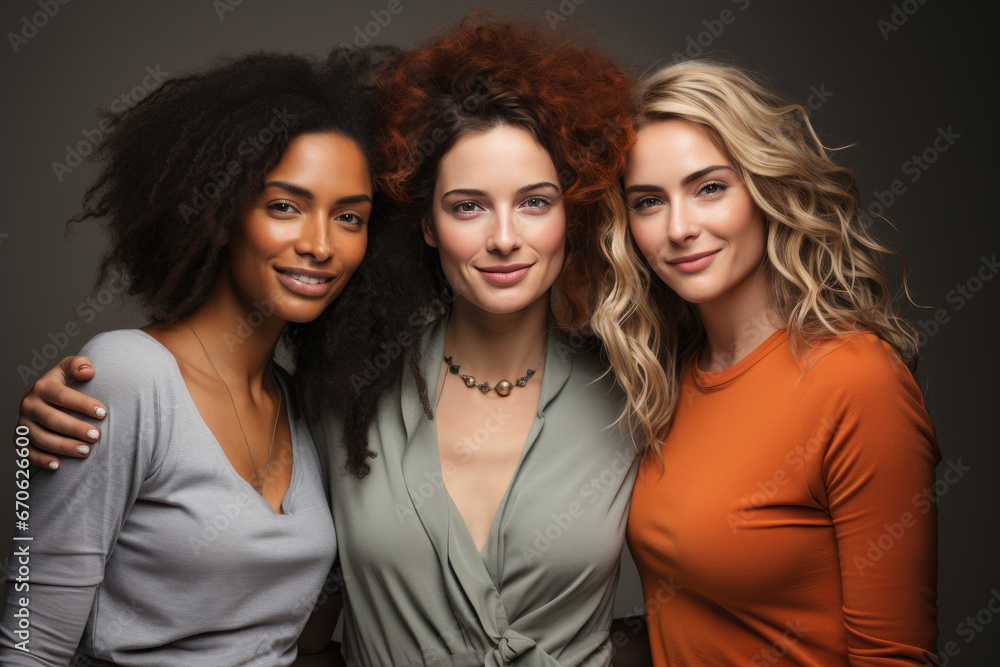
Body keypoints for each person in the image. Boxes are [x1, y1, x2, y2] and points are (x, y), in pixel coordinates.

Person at [15, 18, 654, 666]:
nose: (504, 236)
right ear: (426, 221)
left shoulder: (635, 383)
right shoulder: (336, 393)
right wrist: (68, 413)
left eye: (535, 202)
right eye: (467, 205)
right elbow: (31, 637)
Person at [1, 47, 392, 665]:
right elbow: (28, 643)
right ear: (217, 213)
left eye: (349, 217)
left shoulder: (298, 404)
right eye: (284, 206)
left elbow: (298, 640)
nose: (320, 244)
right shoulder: (129, 377)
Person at [590, 60, 940, 665]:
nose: (680, 228)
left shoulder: (856, 378)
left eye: (709, 188)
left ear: (764, 188)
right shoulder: (666, 377)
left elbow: (894, 656)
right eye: (648, 202)